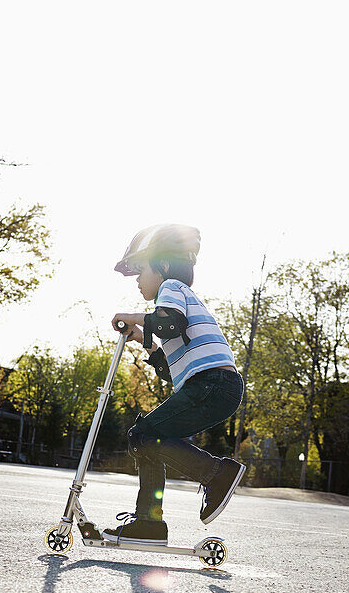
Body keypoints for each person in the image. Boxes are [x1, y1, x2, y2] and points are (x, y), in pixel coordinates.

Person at [105, 223, 246, 545]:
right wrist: (142, 339)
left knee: (143, 435)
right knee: (147, 439)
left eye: (142, 270)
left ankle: (217, 473)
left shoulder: (171, 288)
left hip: (213, 383)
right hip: (214, 386)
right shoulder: (174, 303)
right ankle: (148, 523)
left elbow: (171, 323)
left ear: (164, 266)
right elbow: (173, 368)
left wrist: (134, 316)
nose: (138, 280)